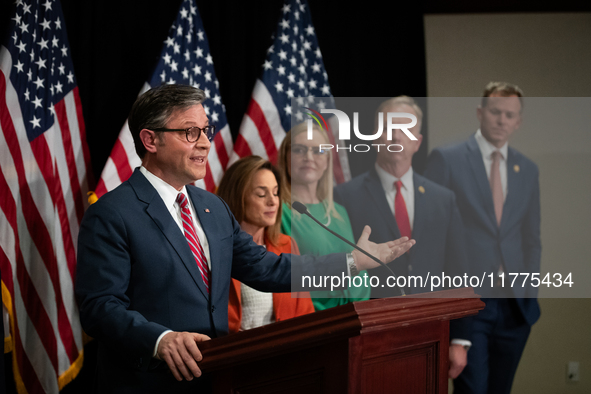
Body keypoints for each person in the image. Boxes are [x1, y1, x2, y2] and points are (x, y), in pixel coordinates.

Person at [75, 84, 415, 394]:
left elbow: (268, 269)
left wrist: (353, 262)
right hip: (147, 383)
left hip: (218, 380)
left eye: (205, 131)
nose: (206, 143)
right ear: (150, 140)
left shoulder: (212, 207)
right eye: (190, 132)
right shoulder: (113, 213)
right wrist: (160, 339)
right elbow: (100, 307)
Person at [333, 96, 472, 379]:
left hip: (431, 333)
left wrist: (459, 340)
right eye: (388, 127)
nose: (396, 134)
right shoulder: (345, 196)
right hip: (370, 334)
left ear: (417, 142)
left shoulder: (443, 199)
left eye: (405, 128)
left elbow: (459, 272)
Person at [424, 82, 541, 394]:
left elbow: (532, 240)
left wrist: (528, 290)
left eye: (510, 115)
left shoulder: (527, 169)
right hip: (470, 303)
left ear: (519, 121)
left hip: (515, 307)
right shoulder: (446, 159)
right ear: (480, 112)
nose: (502, 120)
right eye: (495, 112)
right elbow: (431, 238)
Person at [277, 123, 371, 310]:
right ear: (286, 158)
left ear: (328, 160)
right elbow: (284, 277)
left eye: (318, 151)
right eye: (299, 150)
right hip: (311, 322)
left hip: (355, 318)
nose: (309, 158)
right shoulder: (278, 212)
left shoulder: (339, 212)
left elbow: (360, 275)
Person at [216, 156, 314, 333]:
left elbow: (305, 313)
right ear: (237, 197)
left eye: (275, 193)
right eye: (262, 194)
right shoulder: (218, 248)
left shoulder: (286, 244)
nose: (273, 201)